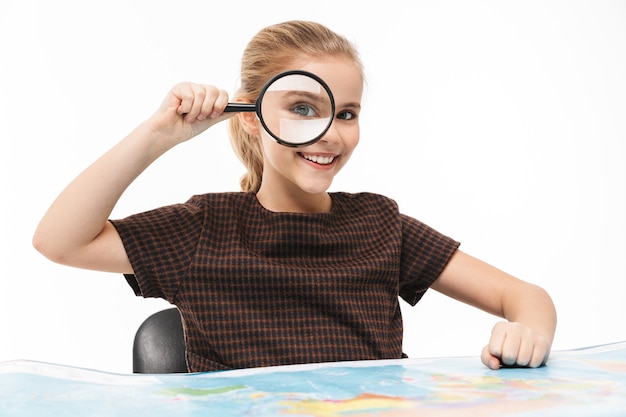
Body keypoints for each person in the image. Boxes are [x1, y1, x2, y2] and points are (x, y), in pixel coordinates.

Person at [32, 20, 556, 372]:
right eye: (303, 108)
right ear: (252, 117)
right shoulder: (204, 228)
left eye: (346, 113)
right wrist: (156, 136)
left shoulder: (379, 224)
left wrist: (528, 331)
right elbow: (60, 242)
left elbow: (525, 296)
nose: (330, 131)